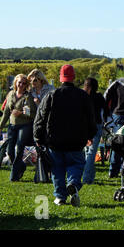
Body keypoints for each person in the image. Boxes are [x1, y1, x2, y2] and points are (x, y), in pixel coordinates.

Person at [33, 65, 96, 206]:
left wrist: (38, 137)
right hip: (76, 140)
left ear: (60, 78)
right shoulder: (83, 96)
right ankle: (73, 182)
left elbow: (40, 118)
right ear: (73, 77)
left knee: (57, 168)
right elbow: (91, 118)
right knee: (76, 164)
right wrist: (90, 135)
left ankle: (60, 196)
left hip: (55, 140)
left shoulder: (51, 95)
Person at [0, 74, 37, 181]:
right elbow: (6, 112)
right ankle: (22, 166)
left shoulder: (28, 96)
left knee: (19, 150)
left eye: (24, 83)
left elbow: (32, 114)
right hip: (12, 125)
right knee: (10, 151)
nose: (21, 85)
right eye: (19, 82)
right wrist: (0, 127)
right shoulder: (10, 94)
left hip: (24, 125)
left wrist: (21, 113)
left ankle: (14, 177)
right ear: (15, 83)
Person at [82, 77, 110, 184]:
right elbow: (106, 111)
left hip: (84, 126)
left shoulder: (82, 96)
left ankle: (90, 175)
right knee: (92, 153)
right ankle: (86, 177)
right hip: (96, 125)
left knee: (87, 151)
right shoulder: (98, 97)